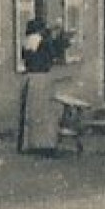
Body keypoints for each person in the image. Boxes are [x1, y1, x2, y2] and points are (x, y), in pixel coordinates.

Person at [17, 18, 64, 154]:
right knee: (45, 113)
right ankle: (44, 144)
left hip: (30, 78)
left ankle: (29, 143)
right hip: (42, 78)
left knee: (30, 113)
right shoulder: (43, 41)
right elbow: (54, 54)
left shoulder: (27, 41)